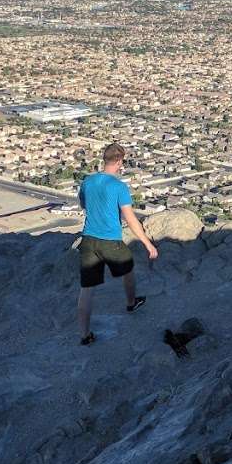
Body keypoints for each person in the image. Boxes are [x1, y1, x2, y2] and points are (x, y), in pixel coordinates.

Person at [76, 143, 158, 344]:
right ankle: (131, 302)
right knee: (127, 268)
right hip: (110, 240)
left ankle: (85, 335)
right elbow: (130, 219)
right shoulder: (119, 187)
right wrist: (148, 244)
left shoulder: (88, 181)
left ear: (104, 159)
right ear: (120, 161)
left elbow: (83, 205)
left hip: (88, 240)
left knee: (87, 289)